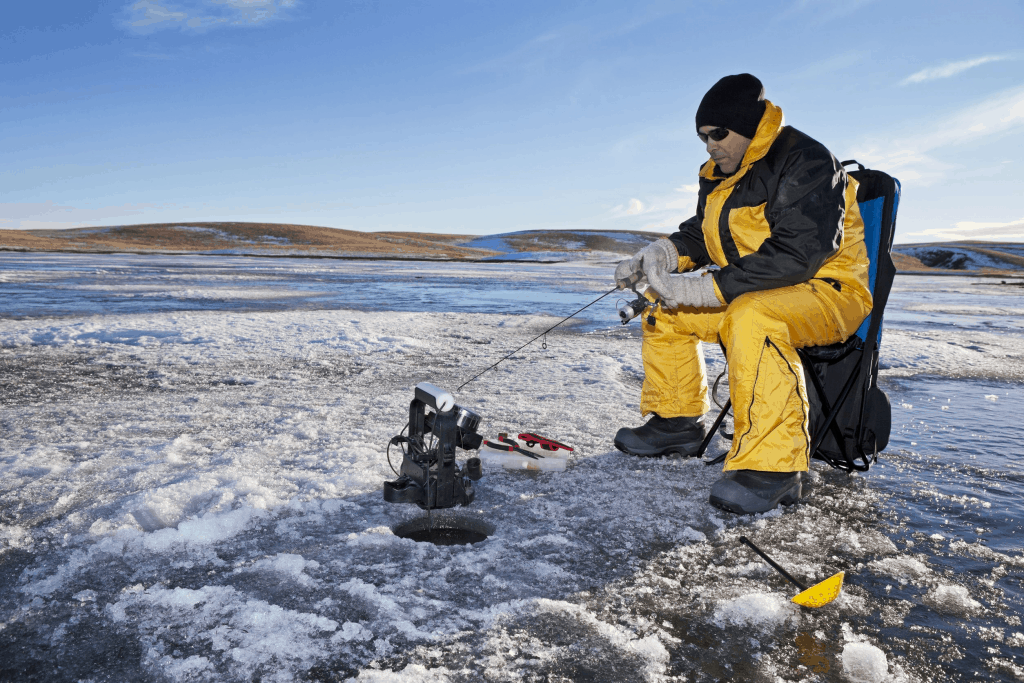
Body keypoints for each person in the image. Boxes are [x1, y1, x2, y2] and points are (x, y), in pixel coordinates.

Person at [613, 74, 872, 515]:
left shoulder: (805, 159)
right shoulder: (718, 174)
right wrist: (660, 256)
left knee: (752, 316)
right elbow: (703, 234)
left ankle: (774, 468)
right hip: (757, 290)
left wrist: (708, 287)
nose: (709, 145)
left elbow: (797, 253)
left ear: (748, 126)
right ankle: (677, 421)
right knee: (664, 310)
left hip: (828, 293)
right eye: (702, 137)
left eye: (718, 133)